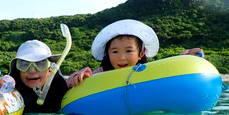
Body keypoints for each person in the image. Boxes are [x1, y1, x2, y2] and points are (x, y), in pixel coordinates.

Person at [67, 19, 204, 87]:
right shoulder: (102, 72)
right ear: (107, 53)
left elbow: (168, 70)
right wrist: (78, 77)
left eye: (129, 50)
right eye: (115, 51)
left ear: (141, 53)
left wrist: (185, 58)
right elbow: (71, 84)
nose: (121, 57)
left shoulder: (146, 71)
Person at [9, 39, 68, 113]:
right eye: (24, 65)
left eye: (40, 64)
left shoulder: (64, 87)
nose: (32, 71)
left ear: (51, 68)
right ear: (18, 70)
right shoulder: (10, 90)